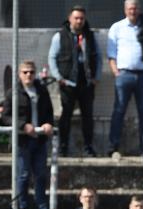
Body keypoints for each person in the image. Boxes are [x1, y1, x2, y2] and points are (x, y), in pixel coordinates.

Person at [106, 0, 143, 159]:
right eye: (130, 8)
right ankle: (113, 146)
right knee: (119, 111)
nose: (133, 11)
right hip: (124, 75)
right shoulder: (117, 28)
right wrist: (116, 71)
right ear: (125, 10)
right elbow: (111, 54)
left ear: (139, 10)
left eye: (136, 8)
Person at [2, 60, 54, 209]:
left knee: (40, 174)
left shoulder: (42, 90)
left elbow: (49, 112)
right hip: (23, 141)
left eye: (31, 72)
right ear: (19, 74)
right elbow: (5, 116)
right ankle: (23, 207)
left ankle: (42, 207)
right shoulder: (14, 92)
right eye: (25, 72)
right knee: (23, 175)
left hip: (39, 139)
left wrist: (48, 124)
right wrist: (23, 125)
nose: (28, 75)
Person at [48, 5, 100, 157]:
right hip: (67, 83)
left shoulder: (89, 36)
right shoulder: (60, 36)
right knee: (66, 116)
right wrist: (58, 77)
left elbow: (97, 56)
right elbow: (52, 57)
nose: (79, 21)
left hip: (86, 83)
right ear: (70, 18)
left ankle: (88, 147)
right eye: (76, 18)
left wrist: (96, 77)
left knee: (87, 116)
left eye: (82, 18)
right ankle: (63, 147)